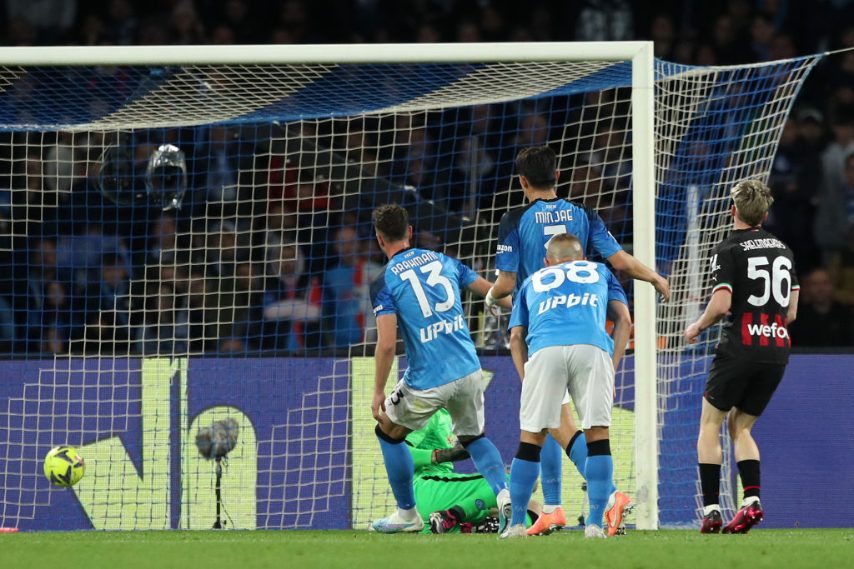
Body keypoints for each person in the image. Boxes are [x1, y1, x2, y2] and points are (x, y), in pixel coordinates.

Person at [485, 145, 668, 536]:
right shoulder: (584, 215)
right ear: (558, 177)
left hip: (542, 325)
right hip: (587, 328)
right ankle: (561, 508)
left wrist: (487, 297)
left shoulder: (515, 219)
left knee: (540, 427)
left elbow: (506, 284)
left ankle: (566, 505)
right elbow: (619, 262)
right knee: (569, 425)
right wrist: (653, 277)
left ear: (521, 182)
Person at [368, 204, 512, 533]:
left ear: (379, 240)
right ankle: (503, 493)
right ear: (410, 232)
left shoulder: (384, 282)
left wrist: (378, 390)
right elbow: (493, 292)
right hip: (469, 369)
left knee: (388, 433)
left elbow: (387, 344)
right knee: (474, 437)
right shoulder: (444, 261)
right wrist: (525, 307)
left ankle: (407, 514)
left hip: (427, 379)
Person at [684, 179, 800, 534]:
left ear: (732, 210)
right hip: (777, 348)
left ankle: (713, 510)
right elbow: (791, 312)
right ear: (764, 214)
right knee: (742, 426)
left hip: (741, 344)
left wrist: (697, 327)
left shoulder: (729, 248)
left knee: (710, 425)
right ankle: (751, 500)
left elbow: (720, 305)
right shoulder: (783, 250)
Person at [503, 233, 632, 539]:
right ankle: (595, 526)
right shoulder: (600, 271)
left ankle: (517, 525)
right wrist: (610, 369)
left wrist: (527, 379)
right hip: (592, 348)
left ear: (548, 261)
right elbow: (624, 320)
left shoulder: (532, 280)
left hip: (545, 350)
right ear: (582, 257)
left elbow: (516, 338)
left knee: (531, 439)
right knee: (598, 437)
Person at [406, 408, 539, 534]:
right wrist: (441, 455)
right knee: (518, 481)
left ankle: (465, 525)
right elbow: (400, 454)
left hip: (434, 501)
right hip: (426, 488)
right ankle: (453, 515)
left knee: (530, 511)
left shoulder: (451, 415)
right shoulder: (430, 413)